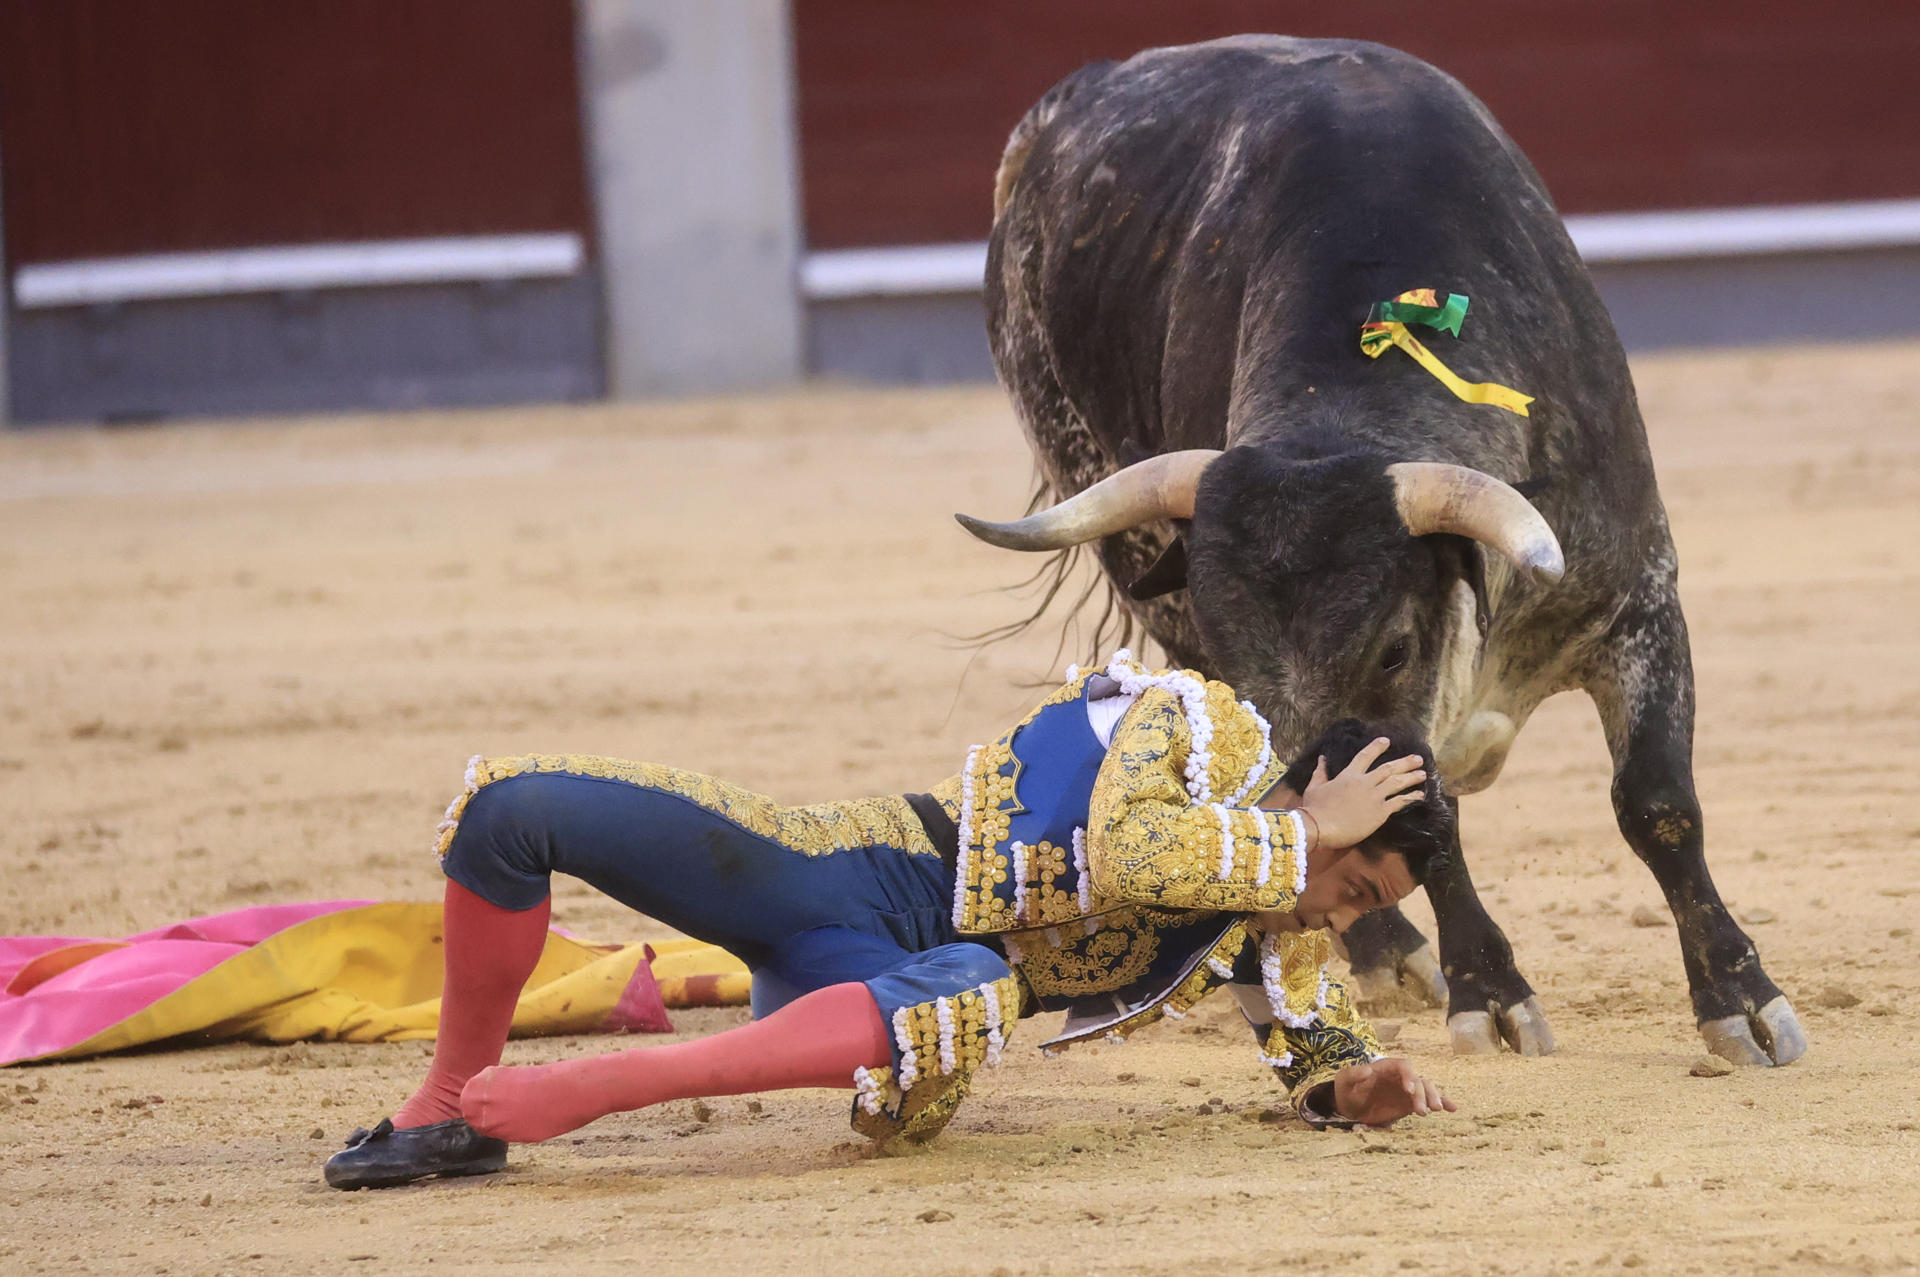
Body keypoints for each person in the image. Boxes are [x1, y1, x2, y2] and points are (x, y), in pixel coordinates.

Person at [325, 651, 1456, 1190]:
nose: (1336, 918)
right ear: (1325, 797)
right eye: (1358, 888)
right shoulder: (1200, 724)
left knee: (979, 987)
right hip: (849, 869)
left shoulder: (1276, 928)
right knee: (508, 808)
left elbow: (1317, 1048)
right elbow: (1129, 847)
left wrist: (1355, 1088)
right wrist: (1308, 835)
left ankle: (601, 1087)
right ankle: (449, 1107)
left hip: (908, 1006)